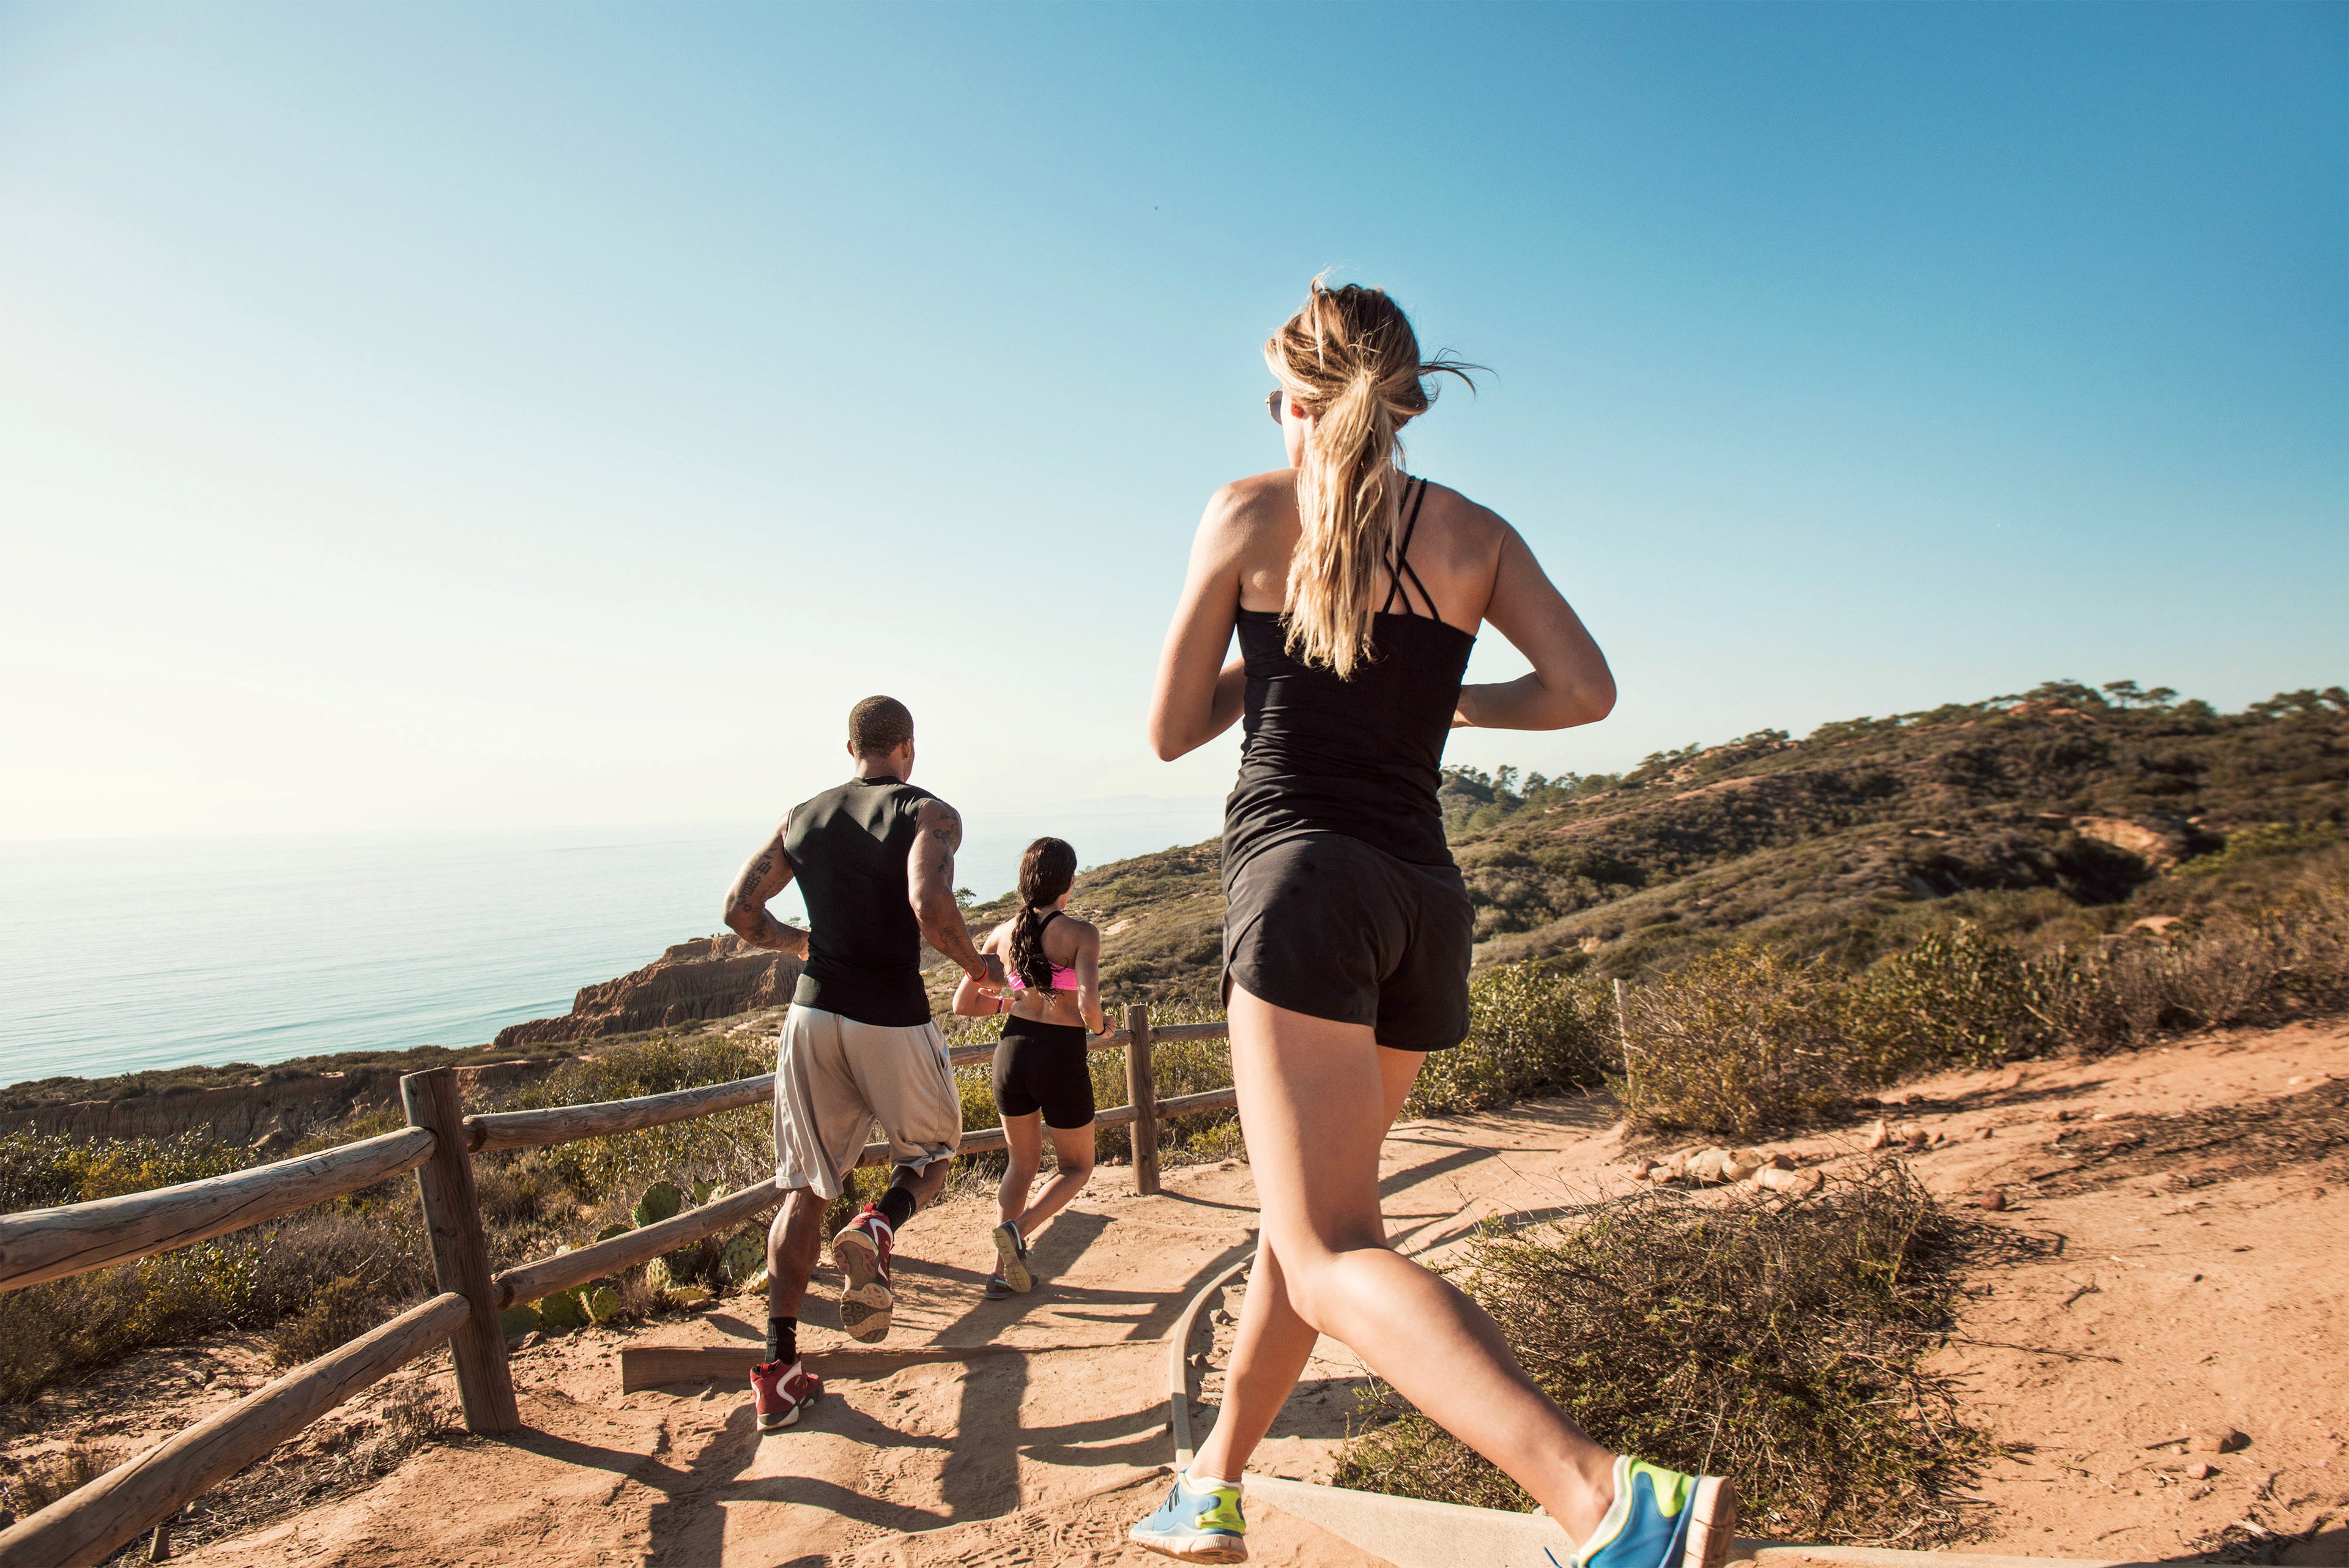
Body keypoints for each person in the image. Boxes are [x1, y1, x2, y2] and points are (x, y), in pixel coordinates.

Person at [1128, 283, 1735, 1568]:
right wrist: (1441, 697)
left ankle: (1608, 1502)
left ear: (1298, 400)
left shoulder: (1247, 512)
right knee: (1314, 1228)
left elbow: (1176, 727)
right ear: (1399, 400)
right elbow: (1584, 692)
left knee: (1332, 1242)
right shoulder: (1474, 535)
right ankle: (1215, 1481)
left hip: (1301, 886)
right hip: (1422, 901)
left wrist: (1287, 637)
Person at [721, 694, 1006, 1434]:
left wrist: (799, 945)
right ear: (907, 746)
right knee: (935, 1151)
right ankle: (879, 1227)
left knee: (806, 1190)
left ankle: (779, 1373)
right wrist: (979, 967)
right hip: (888, 1011)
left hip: (811, 1016)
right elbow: (929, 900)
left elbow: (740, 912)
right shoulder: (927, 812)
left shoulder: (802, 816)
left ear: (850, 746)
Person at [951, 837, 1108, 1298]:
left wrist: (1006, 1006)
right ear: (1068, 882)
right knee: (1077, 1166)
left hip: (1012, 1053)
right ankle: (1020, 1231)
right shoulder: (1081, 934)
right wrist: (1100, 1029)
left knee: (1021, 1163)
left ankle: (1002, 1271)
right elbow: (1089, 1004)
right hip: (1059, 1054)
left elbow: (963, 1003)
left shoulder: (1002, 935)